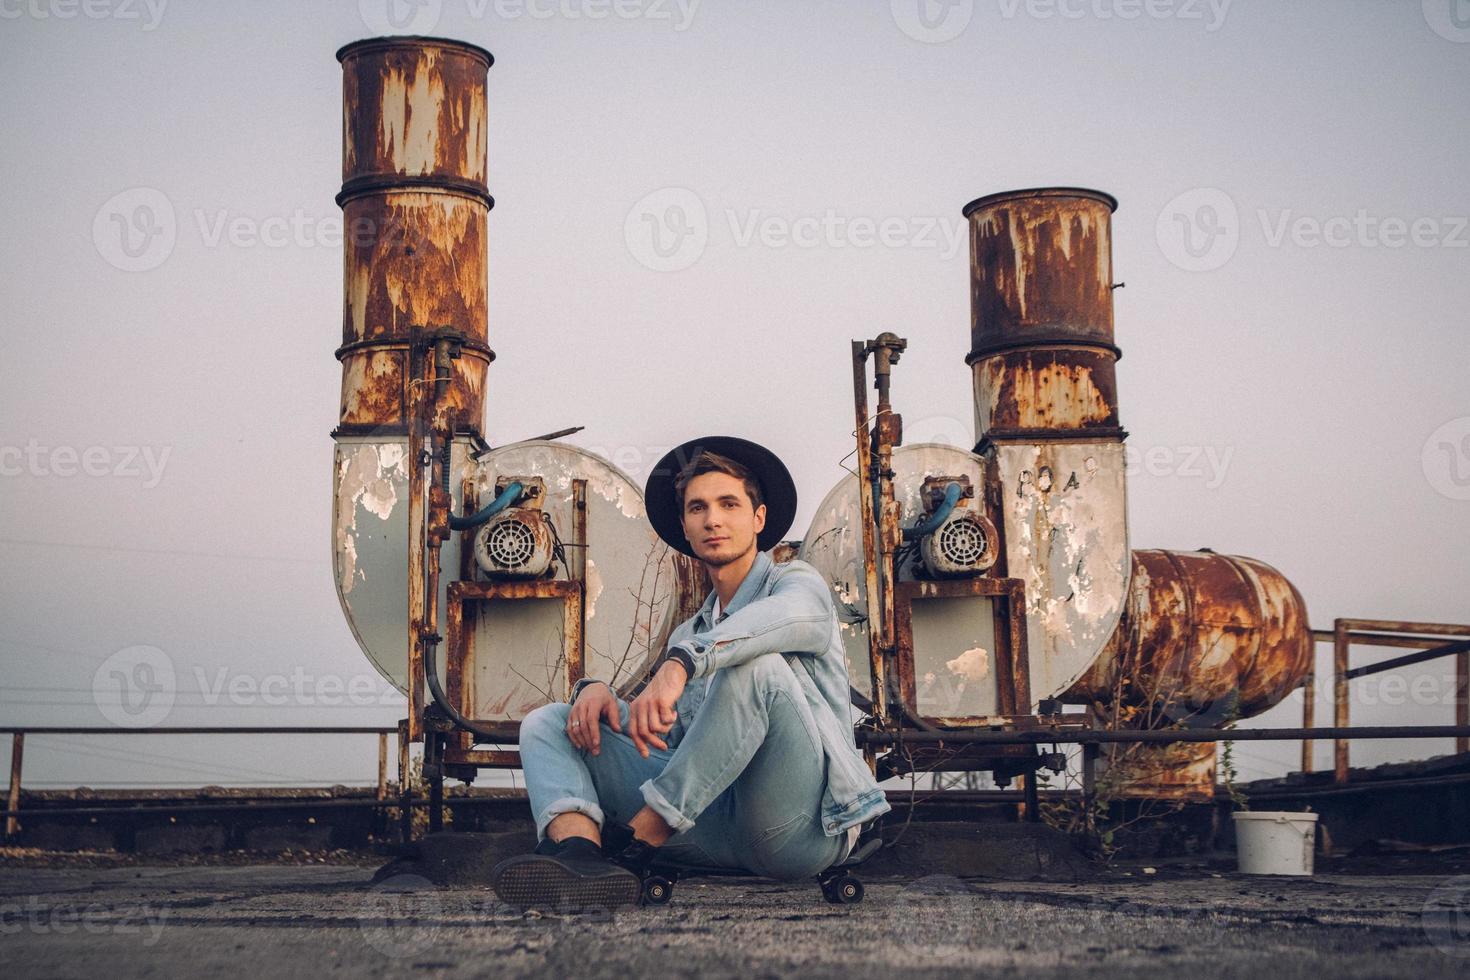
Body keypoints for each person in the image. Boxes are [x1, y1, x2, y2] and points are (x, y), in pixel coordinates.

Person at [491, 435, 889, 909]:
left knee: (753, 668)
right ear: (684, 524)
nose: (713, 519)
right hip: (711, 827)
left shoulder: (797, 586)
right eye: (698, 508)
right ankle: (582, 858)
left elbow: (777, 624)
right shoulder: (689, 631)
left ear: (758, 519)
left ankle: (638, 843)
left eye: (728, 504)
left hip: (798, 830)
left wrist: (684, 663)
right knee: (551, 720)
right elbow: (674, 742)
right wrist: (596, 693)